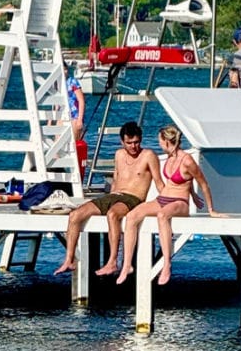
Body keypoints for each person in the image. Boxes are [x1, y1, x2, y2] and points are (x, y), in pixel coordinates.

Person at [116, 125, 218, 286]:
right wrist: (193, 193)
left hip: (179, 203)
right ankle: (127, 264)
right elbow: (183, 180)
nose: (159, 144)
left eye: (160, 141)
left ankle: (166, 264)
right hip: (163, 199)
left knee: (162, 216)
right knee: (132, 216)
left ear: (166, 141)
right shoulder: (169, 158)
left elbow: (203, 183)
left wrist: (211, 210)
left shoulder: (187, 160)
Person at [53, 122, 160, 275]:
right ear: (122, 141)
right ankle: (69, 260)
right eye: (129, 143)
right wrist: (111, 195)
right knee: (75, 215)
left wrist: (167, 202)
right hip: (113, 196)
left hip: (133, 198)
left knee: (112, 215)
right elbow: (116, 178)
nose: (133, 146)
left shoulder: (148, 155)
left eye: (136, 142)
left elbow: (159, 182)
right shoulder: (119, 154)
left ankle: (112, 262)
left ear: (141, 140)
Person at [66, 64, 86, 140]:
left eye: (66, 69)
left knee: (74, 142)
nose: (65, 71)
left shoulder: (72, 82)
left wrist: (80, 119)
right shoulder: (57, 83)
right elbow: (55, 104)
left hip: (75, 115)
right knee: (58, 142)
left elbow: (81, 100)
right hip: (63, 115)